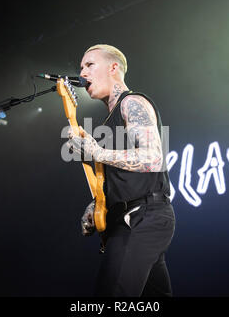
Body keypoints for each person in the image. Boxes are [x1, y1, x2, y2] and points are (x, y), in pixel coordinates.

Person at [67, 44, 175, 297]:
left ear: (113, 67)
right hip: (132, 218)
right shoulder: (108, 121)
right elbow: (122, 175)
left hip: (142, 216)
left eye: (89, 65)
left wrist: (98, 153)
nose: (82, 72)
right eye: (81, 67)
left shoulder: (132, 103)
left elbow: (152, 158)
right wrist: (98, 204)